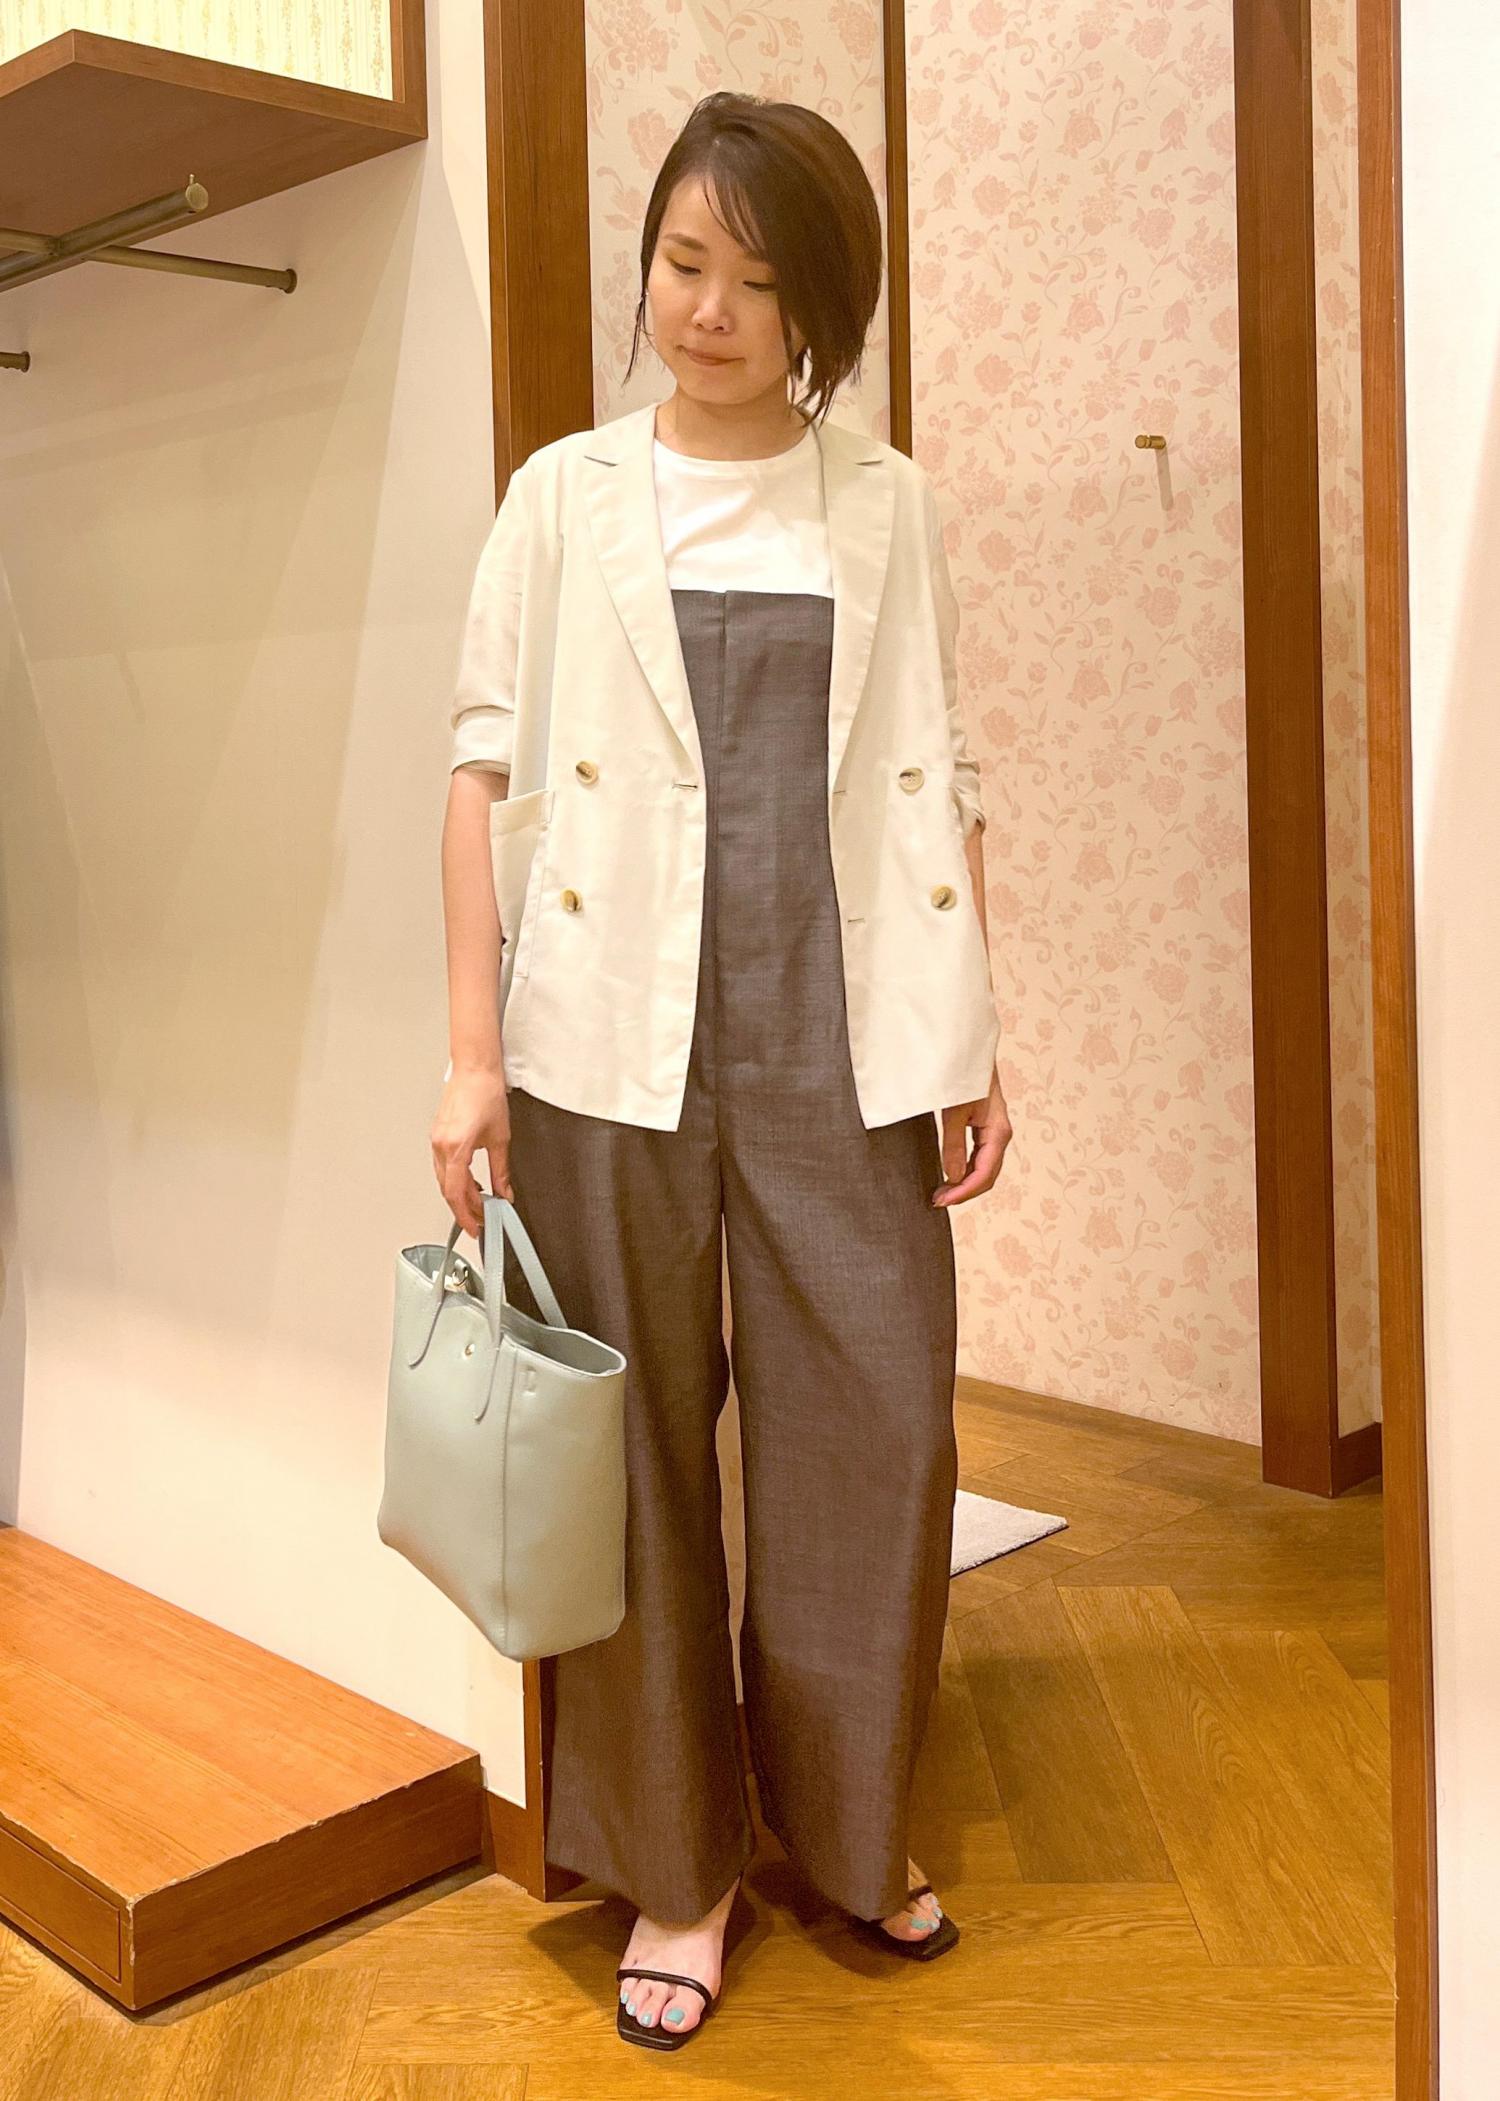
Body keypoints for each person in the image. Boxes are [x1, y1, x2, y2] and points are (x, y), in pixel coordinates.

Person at [432, 89, 1012, 2049]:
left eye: (758, 283)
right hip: (608, 1035)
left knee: (878, 1429)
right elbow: (479, 776)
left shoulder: (889, 501)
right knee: (639, 1457)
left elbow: (945, 773)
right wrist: (470, 1058)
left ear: (820, 306)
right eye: (685, 264)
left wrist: (977, 1029)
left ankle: (847, 1829)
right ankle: (676, 1868)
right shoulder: (563, 496)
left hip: (844, 1028)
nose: (709, 311)